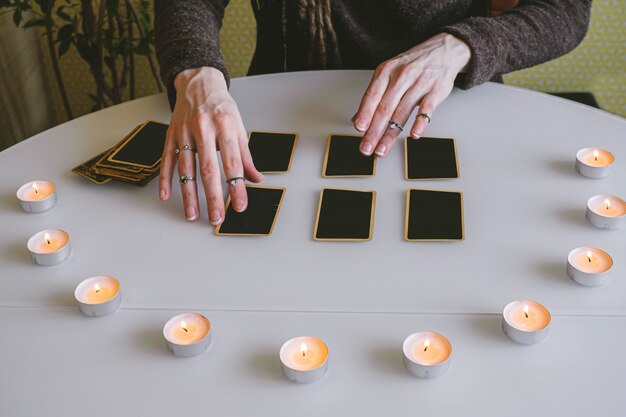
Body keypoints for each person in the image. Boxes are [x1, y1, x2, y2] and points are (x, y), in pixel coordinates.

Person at [154, 0, 591, 224]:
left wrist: (462, 44)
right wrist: (196, 72)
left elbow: (565, 10)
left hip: (447, 108)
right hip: (286, 112)